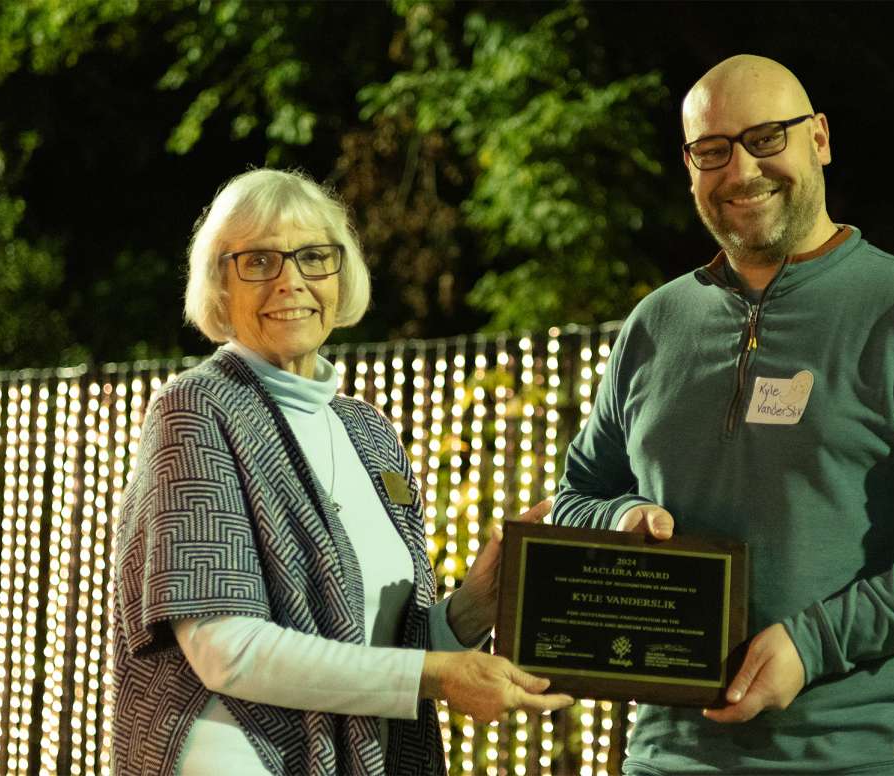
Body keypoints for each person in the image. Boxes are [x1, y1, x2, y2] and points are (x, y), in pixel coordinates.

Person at [553, 54, 894, 775]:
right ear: (689, 167)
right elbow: (576, 498)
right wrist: (620, 519)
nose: (740, 170)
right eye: (712, 150)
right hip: (672, 755)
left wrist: (816, 640)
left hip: (868, 753)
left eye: (765, 139)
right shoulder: (656, 325)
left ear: (818, 138)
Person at [111, 168, 573, 776]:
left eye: (313, 257)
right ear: (220, 285)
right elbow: (229, 652)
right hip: (235, 755)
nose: (290, 282)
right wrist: (435, 677)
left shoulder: (369, 431)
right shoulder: (196, 409)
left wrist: (474, 608)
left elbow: (388, 651)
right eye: (259, 262)